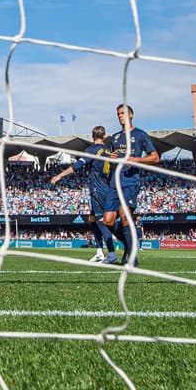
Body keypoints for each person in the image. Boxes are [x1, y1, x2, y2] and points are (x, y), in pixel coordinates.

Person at [50, 126, 118, 264]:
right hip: (108, 188)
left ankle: (111, 254)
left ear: (92, 137)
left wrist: (59, 176)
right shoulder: (108, 151)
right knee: (92, 218)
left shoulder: (91, 151)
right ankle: (99, 251)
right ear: (104, 137)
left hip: (98, 189)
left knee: (101, 221)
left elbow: (76, 166)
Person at [108, 104, 159, 267]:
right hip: (114, 182)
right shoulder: (114, 138)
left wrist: (136, 160)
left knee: (124, 215)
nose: (120, 116)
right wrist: (111, 157)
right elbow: (113, 159)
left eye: (123, 113)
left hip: (130, 181)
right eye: (118, 114)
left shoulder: (140, 135)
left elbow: (155, 157)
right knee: (107, 220)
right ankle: (129, 247)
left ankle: (132, 257)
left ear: (131, 115)